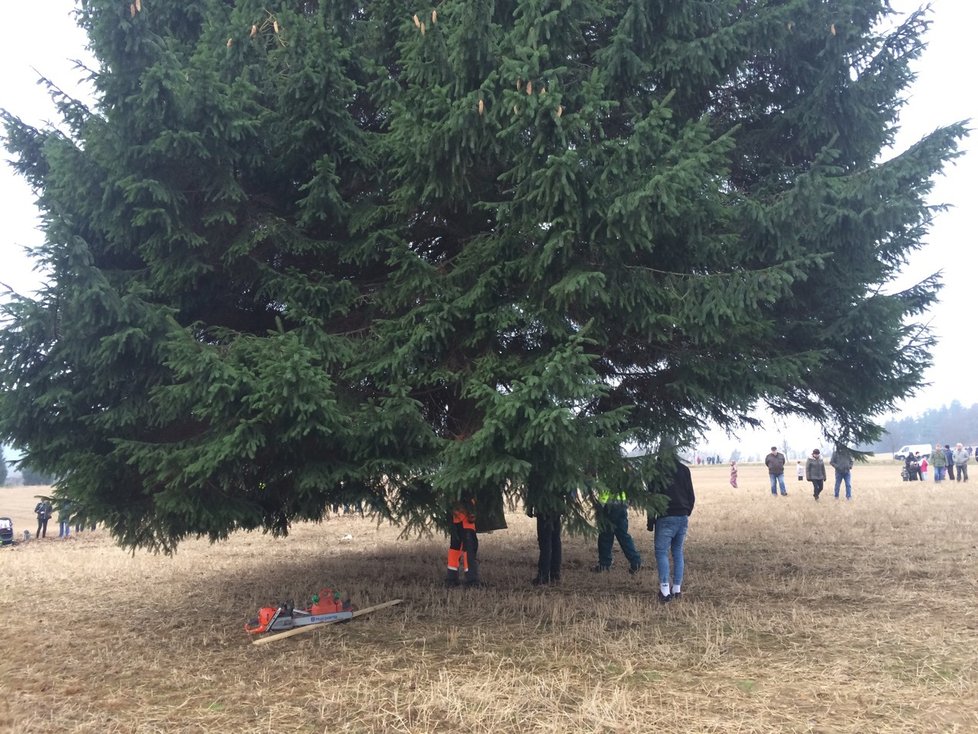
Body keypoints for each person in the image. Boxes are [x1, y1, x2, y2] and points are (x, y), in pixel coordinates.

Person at [647, 453, 695, 603]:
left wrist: (650, 520)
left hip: (665, 517)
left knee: (661, 552)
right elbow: (691, 495)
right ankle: (677, 589)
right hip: (682, 516)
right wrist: (686, 511)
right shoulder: (684, 469)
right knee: (677, 552)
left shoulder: (655, 470)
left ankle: (665, 591)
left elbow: (651, 497)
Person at [592, 481, 642, 574]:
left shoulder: (609, 472)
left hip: (609, 508)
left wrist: (600, 506)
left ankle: (604, 564)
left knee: (605, 537)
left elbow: (605, 490)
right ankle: (635, 561)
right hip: (622, 507)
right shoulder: (624, 471)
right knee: (623, 536)